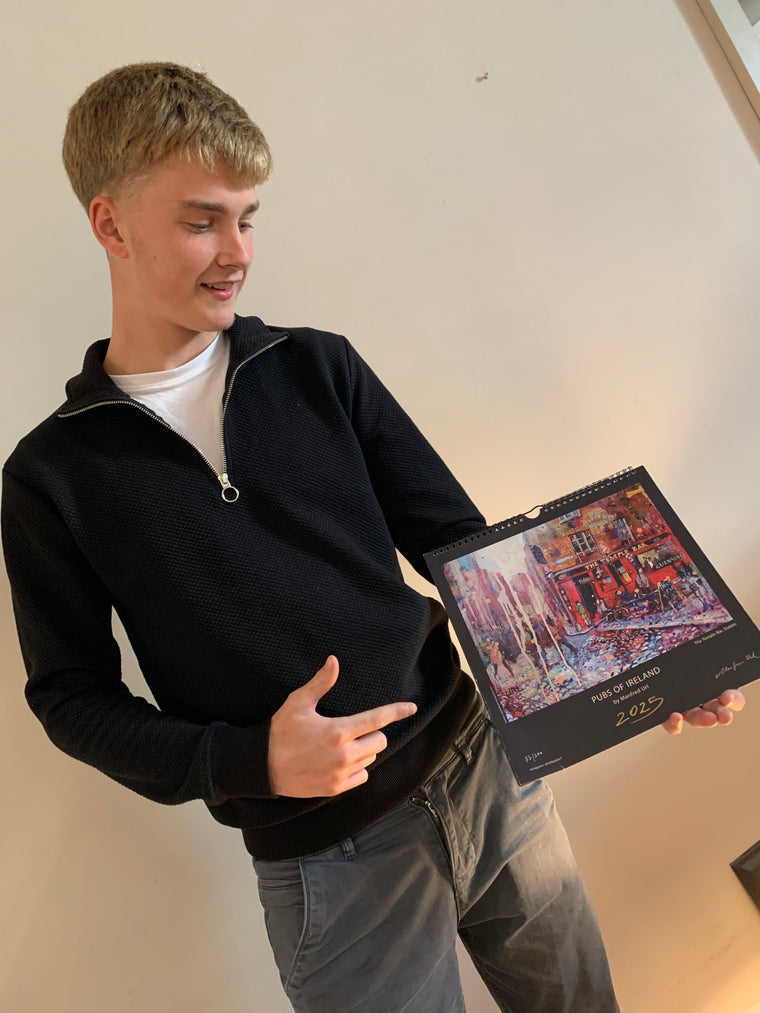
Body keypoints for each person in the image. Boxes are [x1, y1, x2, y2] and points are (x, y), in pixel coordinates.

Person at [1, 62, 744, 1013]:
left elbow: (461, 549)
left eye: (248, 216)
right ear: (110, 224)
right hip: (331, 863)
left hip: (486, 774)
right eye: (201, 221)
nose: (237, 251)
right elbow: (70, 698)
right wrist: (249, 762)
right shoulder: (53, 477)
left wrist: (639, 668)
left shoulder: (318, 367)